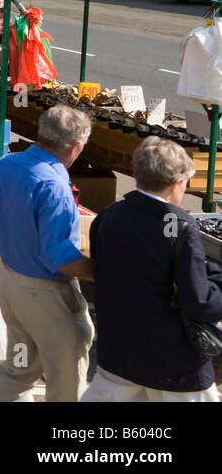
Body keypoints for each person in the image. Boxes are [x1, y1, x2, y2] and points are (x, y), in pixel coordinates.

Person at [0, 105, 95, 402]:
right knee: (67, 377)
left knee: (19, 367)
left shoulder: (6, 165)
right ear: (76, 146)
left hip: (11, 286)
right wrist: (103, 271)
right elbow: (59, 258)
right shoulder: (55, 185)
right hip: (44, 296)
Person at [82, 137, 222, 401]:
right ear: (176, 183)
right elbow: (200, 302)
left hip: (118, 352)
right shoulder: (181, 227)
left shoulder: (108, 216)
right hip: (172, 362)